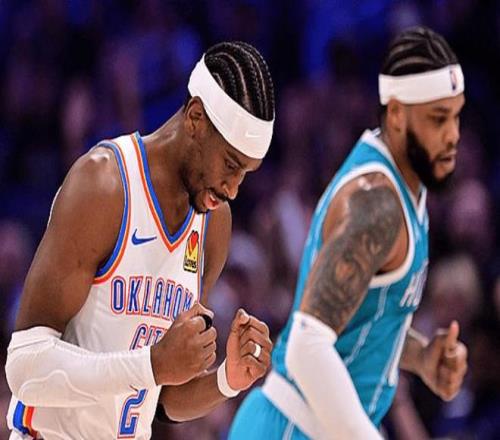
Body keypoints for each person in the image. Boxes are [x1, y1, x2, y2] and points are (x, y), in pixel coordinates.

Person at [5, 41, 274, 440]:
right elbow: (24, 370)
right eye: (230, 164)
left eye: (246, 173)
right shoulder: (104, 184)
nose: (233, 188)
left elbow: (163, 396)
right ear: (195, 118)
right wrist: (149, 365)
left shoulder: (214, 222)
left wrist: (227, 379)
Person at [229, 26, 469, 440]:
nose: (453, 135)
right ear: (397, 114)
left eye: (456, 115)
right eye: (438, 119)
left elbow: (361, 318)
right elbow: (306, 347)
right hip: (290, 428)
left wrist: (421, 357)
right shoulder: (377, 203)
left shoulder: (407, 187)